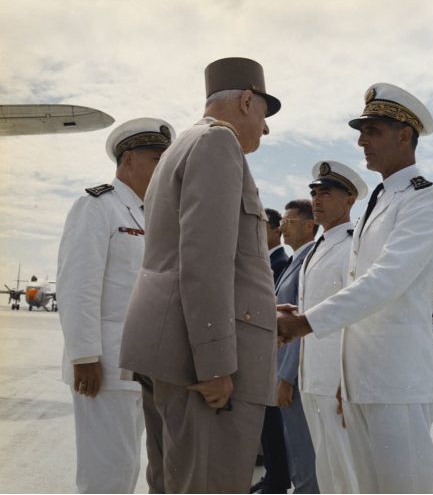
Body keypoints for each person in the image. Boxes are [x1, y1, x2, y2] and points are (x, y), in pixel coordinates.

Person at [278, 83, 433, 494]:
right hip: (361, 381)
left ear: (404, 134)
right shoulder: (382, 199)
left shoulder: (423, 200)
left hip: (397, 380)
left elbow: (386, 280)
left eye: (372, 130)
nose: (361, 141)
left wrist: (306, 322)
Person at [119, 57, 281, 493]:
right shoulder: (217, 144)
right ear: (247, 100)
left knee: (172, 481)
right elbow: (203, 261)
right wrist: (214, 364)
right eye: (264, 113)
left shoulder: (182, 145)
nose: (265, 129)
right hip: (200, 364)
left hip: (167, 347)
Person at [57, 117, 175, 493]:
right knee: (107, 471)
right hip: (103, 366)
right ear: (128, 160)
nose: (164, 168)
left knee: (129, 466)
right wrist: (84, 356)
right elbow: (78, 285)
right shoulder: (97, 206)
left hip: (142, 364)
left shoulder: (149, 214)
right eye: (157, 158)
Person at [298, 160, 367, 494]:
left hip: (337, 381)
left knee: (347, 471)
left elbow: (358, 316)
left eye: (326, 193)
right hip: (311, 377)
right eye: (314, 193)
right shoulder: (317, 248)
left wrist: (347, 378)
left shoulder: (355, 246)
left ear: (350, 200)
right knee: (326, 469)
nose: (317, 200)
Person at [275, 200, 319, 494]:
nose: (282, 228)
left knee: (303, 450)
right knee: (295, 448)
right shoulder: (295, 261)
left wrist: (286, 377)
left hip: (296, 375)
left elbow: (300, 325)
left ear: (309, 225)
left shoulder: (308, 262)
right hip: (285, 370)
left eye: (289, 222)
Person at [250, 208, 292, 494]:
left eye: (263, 226)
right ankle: (272, 475)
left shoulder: (280, 263)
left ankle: (277, 478)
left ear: (277, 230)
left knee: (275, 423)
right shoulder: (264, 260)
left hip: (275, 355)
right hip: (262, 355)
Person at [266, 208, 291, 282]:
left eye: (261, 227)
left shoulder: (282, 264)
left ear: (277, 231)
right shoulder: (265, 260)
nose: (257, 231)